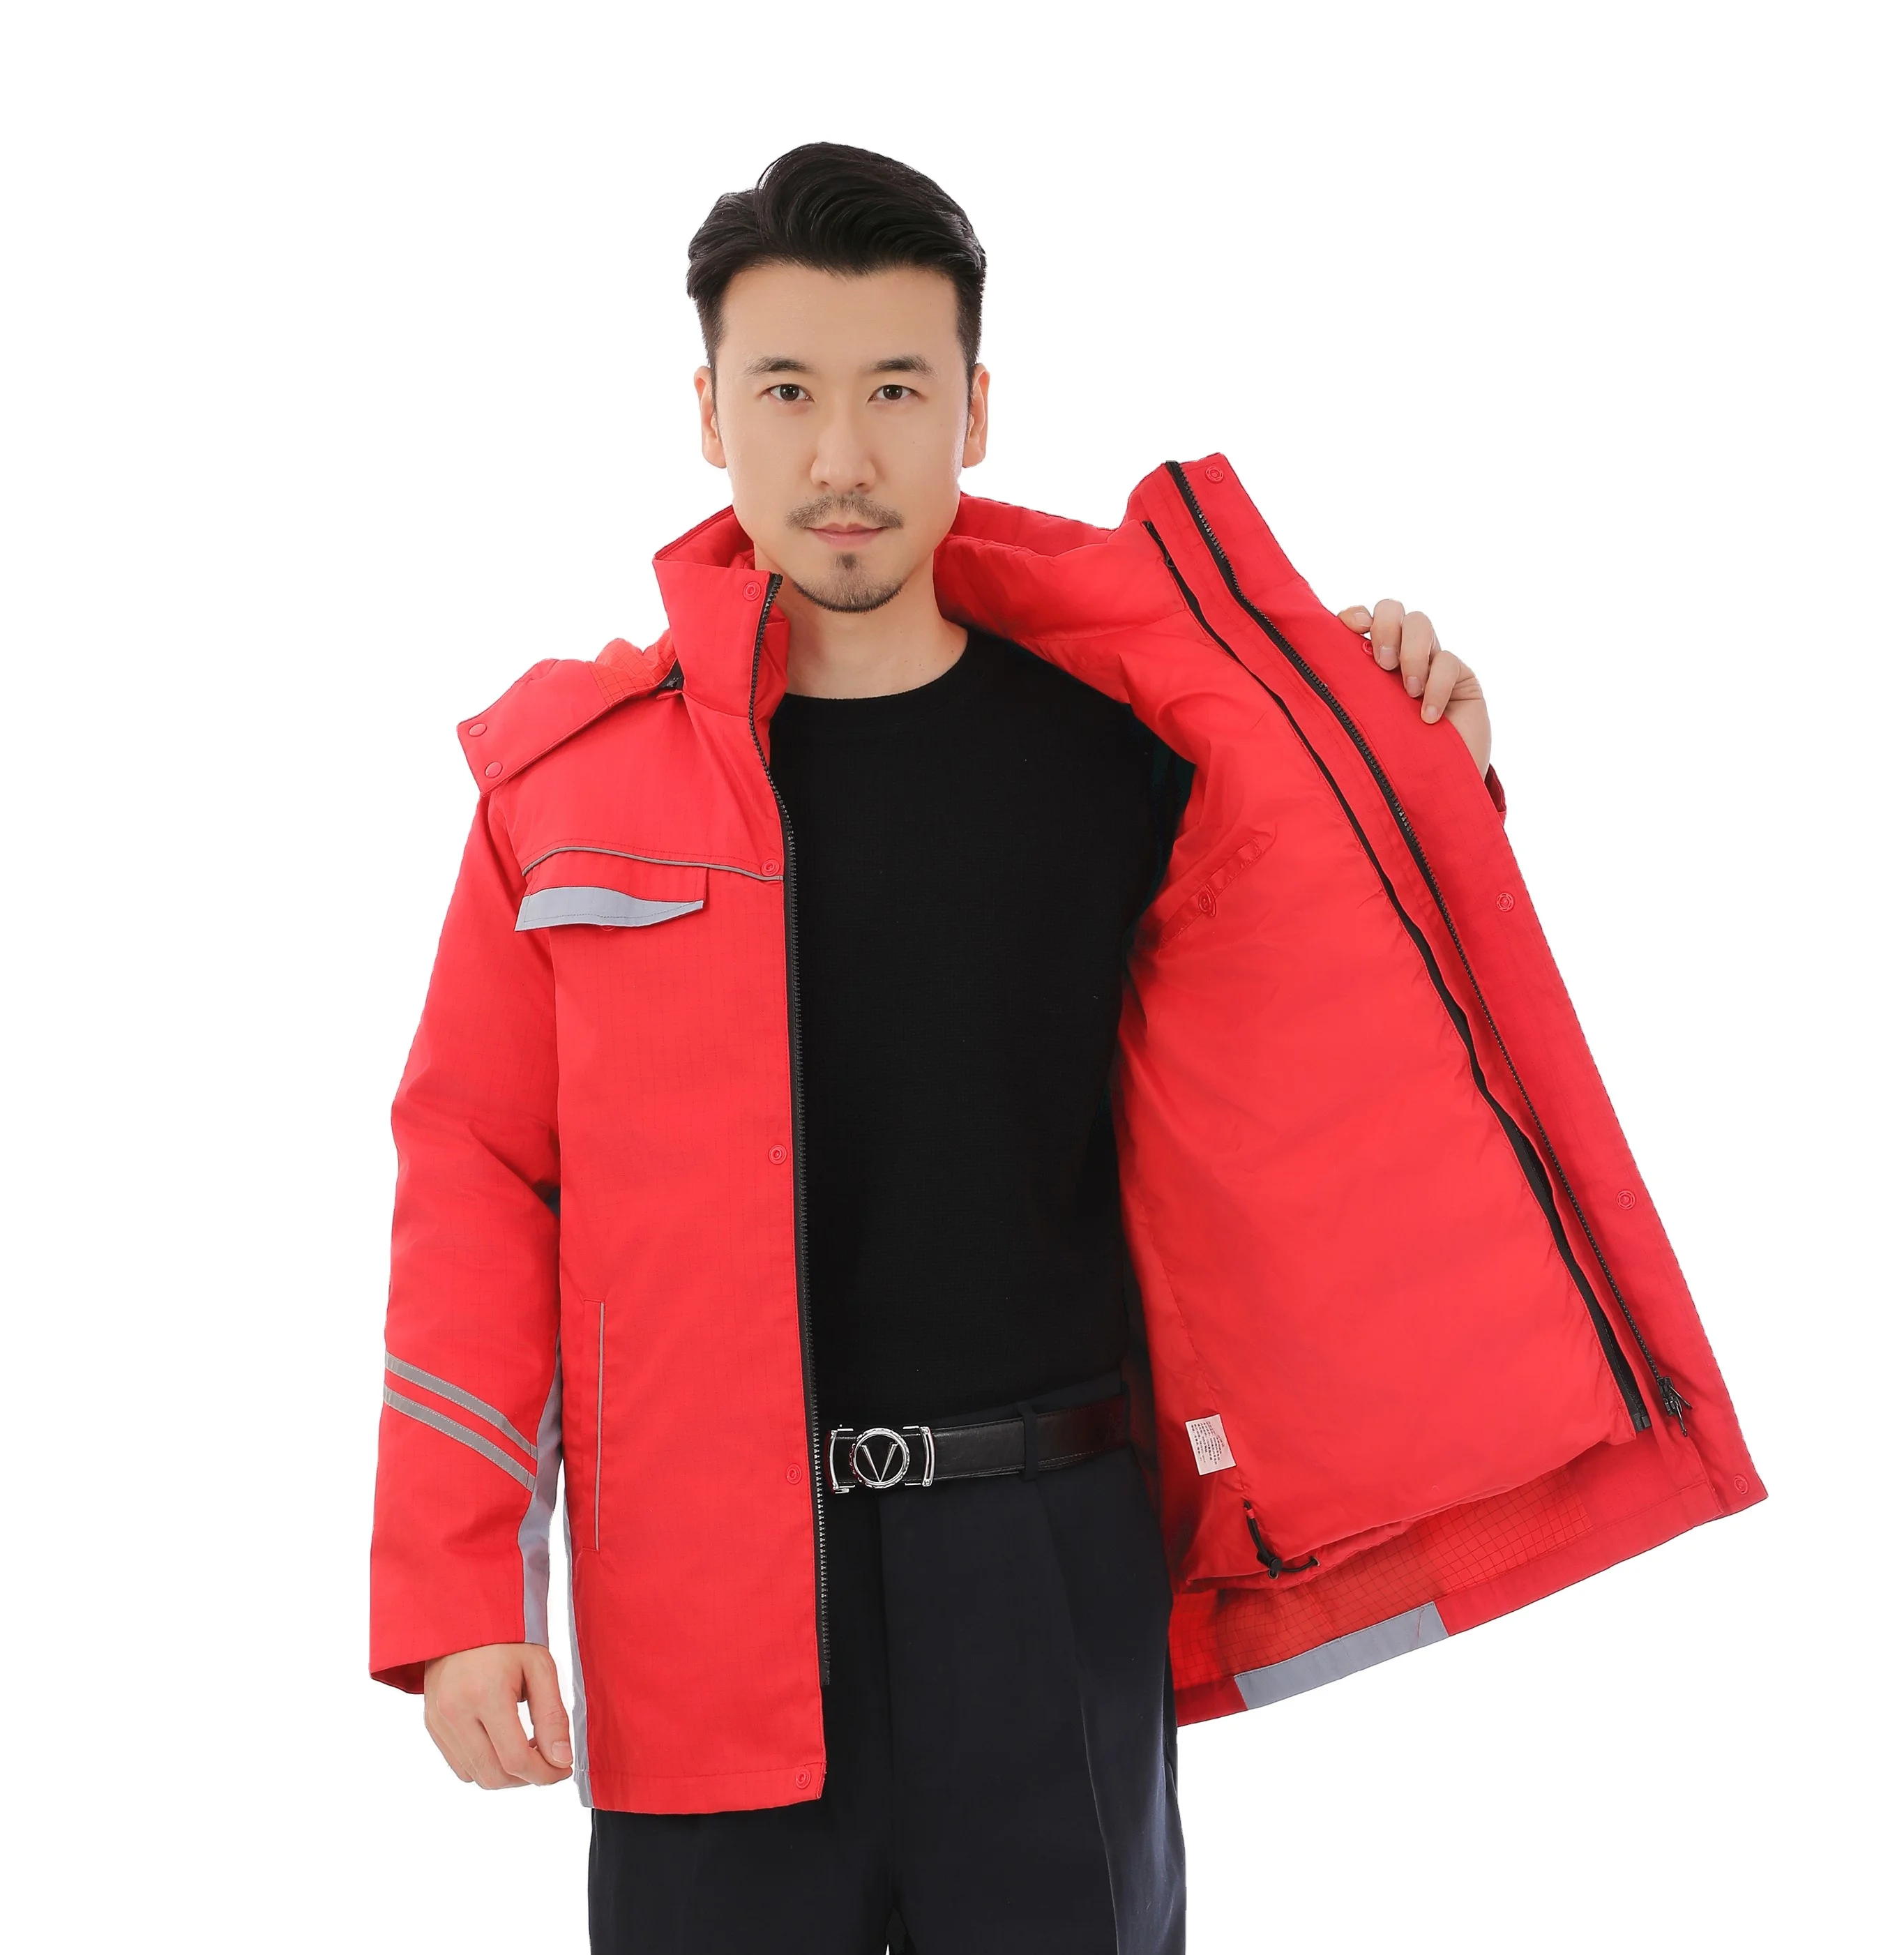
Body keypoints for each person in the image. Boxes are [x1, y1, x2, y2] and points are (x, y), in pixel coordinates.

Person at [369, 144, 1763, 1954]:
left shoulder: (1130, 748)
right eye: (786, 391)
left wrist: (1412, 759)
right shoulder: (571, 794)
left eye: (898, 390)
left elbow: (1326, 1031)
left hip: (1043, 1558)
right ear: (707, 414)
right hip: (698, 1585)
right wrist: (462, 1589)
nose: (843, 454)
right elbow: (479, 1174)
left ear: (976, 412)